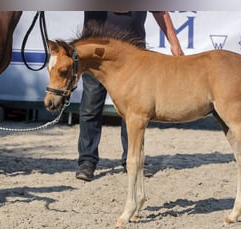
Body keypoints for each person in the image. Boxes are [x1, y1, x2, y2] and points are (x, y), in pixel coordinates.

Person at [76, 11, 184, 181]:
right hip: (96, 54)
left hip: (133, 56)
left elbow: (160, 11)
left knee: (135, 111)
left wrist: (175, 44)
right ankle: (87, 162)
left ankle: (132, 160)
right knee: (90, 107)